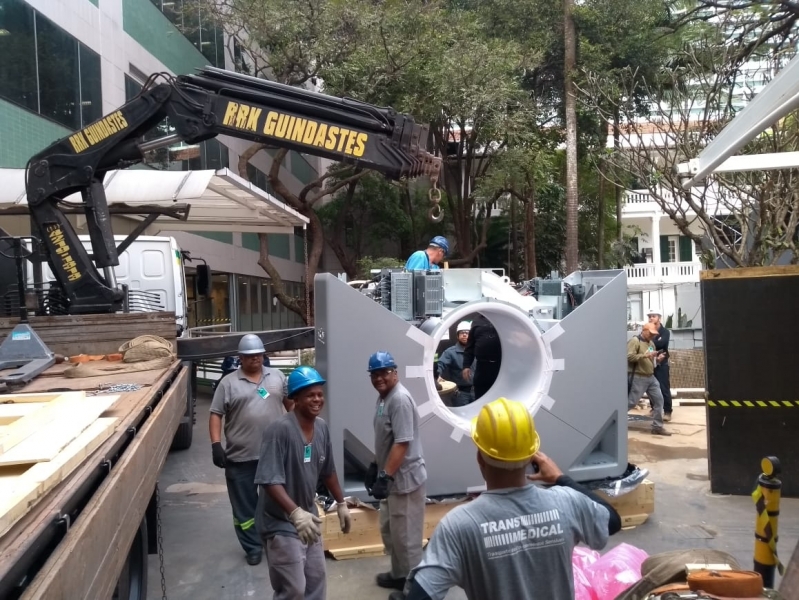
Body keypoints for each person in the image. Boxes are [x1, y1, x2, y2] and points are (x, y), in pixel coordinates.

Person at [392, 398, 622, 600]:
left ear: (480, 457)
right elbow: (612, 520)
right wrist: (561, 478)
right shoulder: (566, 502)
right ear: (531, 456)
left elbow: (421, 594)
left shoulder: (459, 526)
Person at [254, 366, 351, 600]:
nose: (317, 399)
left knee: (316, 582)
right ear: (295, 398)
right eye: (310, 395)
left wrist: (341, 502)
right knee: (293, 590)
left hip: (309, 518)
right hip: (281, 522)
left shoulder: (322, 428)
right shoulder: (280, 431)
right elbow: (269, 480)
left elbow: (328, 470)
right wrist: (295, 513)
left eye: (319, 394)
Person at [209, 334, 290, 565]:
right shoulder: (228, 383)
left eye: (258, 355)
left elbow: (291, 406)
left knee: (276, 502)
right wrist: (216, 445)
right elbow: (216, 414)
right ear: (241, 358)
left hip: (274, 454)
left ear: (264, 355)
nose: (255, 359)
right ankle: (252, 546)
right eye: (249, 356)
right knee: (244, 508)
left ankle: (275, 540)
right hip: (240, 457)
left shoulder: (277, 377)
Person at [364, 351, 427, 592]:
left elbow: (402, 442)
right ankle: (400, 575)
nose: (379, 378)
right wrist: (374, 464)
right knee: (392, 532)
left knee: (407, 539)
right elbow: (385, 439)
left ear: (395, 373)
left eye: (384, 373)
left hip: (405, 481)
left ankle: (415, 590)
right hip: (392, 478)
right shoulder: (383, 398)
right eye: (374, 374)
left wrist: (385, 475)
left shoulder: (399, 399)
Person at [628, 323, 672, 436]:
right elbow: (629, 357)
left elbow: (651, 360)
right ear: (645, 330)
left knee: (659, 400)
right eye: (651, 334)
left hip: (651, 377)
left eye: (654, 334)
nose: (652, 336)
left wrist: (657, 360)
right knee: (631, 402)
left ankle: (657, 427)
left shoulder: (651, 343)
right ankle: (613, 420)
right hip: (639, 376)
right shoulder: (635, 341)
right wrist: (645, 356)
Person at [462, 313, 501, 399]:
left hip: (501, 366)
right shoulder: (477, 321)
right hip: (482, 367)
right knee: (480, 395)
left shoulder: (504, 318)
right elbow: (470, 345)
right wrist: (466, 366)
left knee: (500, 395)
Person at [437, 321, 475, 406]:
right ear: (458, 336)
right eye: (462, 333)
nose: (464, 335)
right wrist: (437, 375)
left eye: (467, 333)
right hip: (460, 394)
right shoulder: (450, 352)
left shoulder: (477, 350)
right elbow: (440, 364)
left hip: (477, 392)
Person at [647, 308, 673, 422]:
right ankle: (654, 409)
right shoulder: (648, 330)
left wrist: (652, 345)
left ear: (659, 318)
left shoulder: (665, 331)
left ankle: (667, 411)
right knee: (651, 387)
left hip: (662, 363)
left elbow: (662, 343)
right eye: (650, 316)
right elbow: (645, 343)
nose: (651, 318)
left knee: (663, 387)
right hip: (650, 363)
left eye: (654, 316)